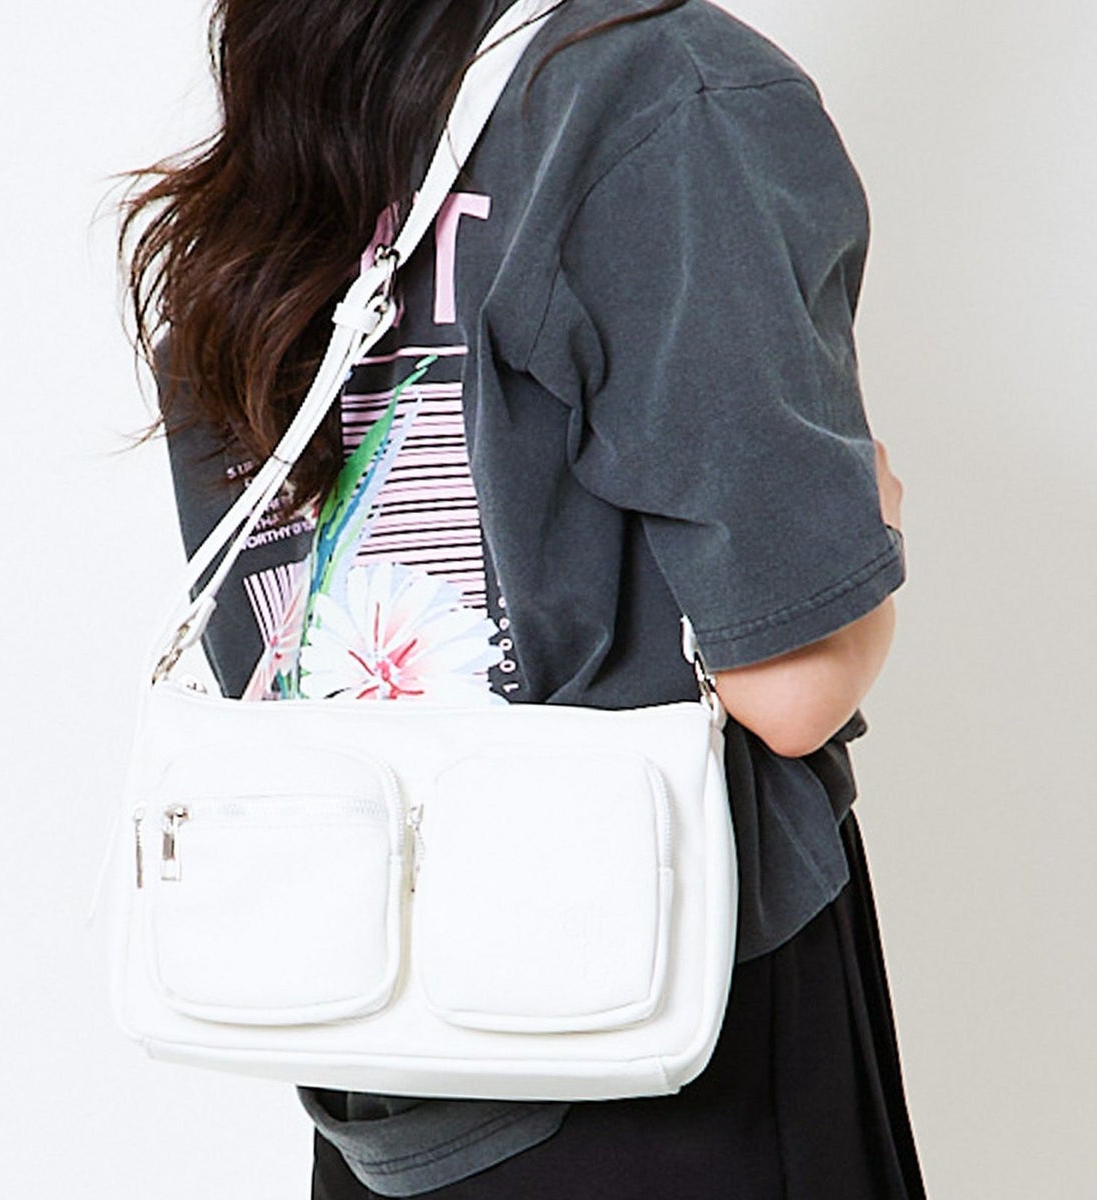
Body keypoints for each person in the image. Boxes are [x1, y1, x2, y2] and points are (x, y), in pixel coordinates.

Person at [120, 1, 926, 1196]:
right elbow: (792, 688)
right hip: (663, 1044)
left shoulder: (299, 103)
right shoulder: (663, 91)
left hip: (371, 1035)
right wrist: (878, 520)